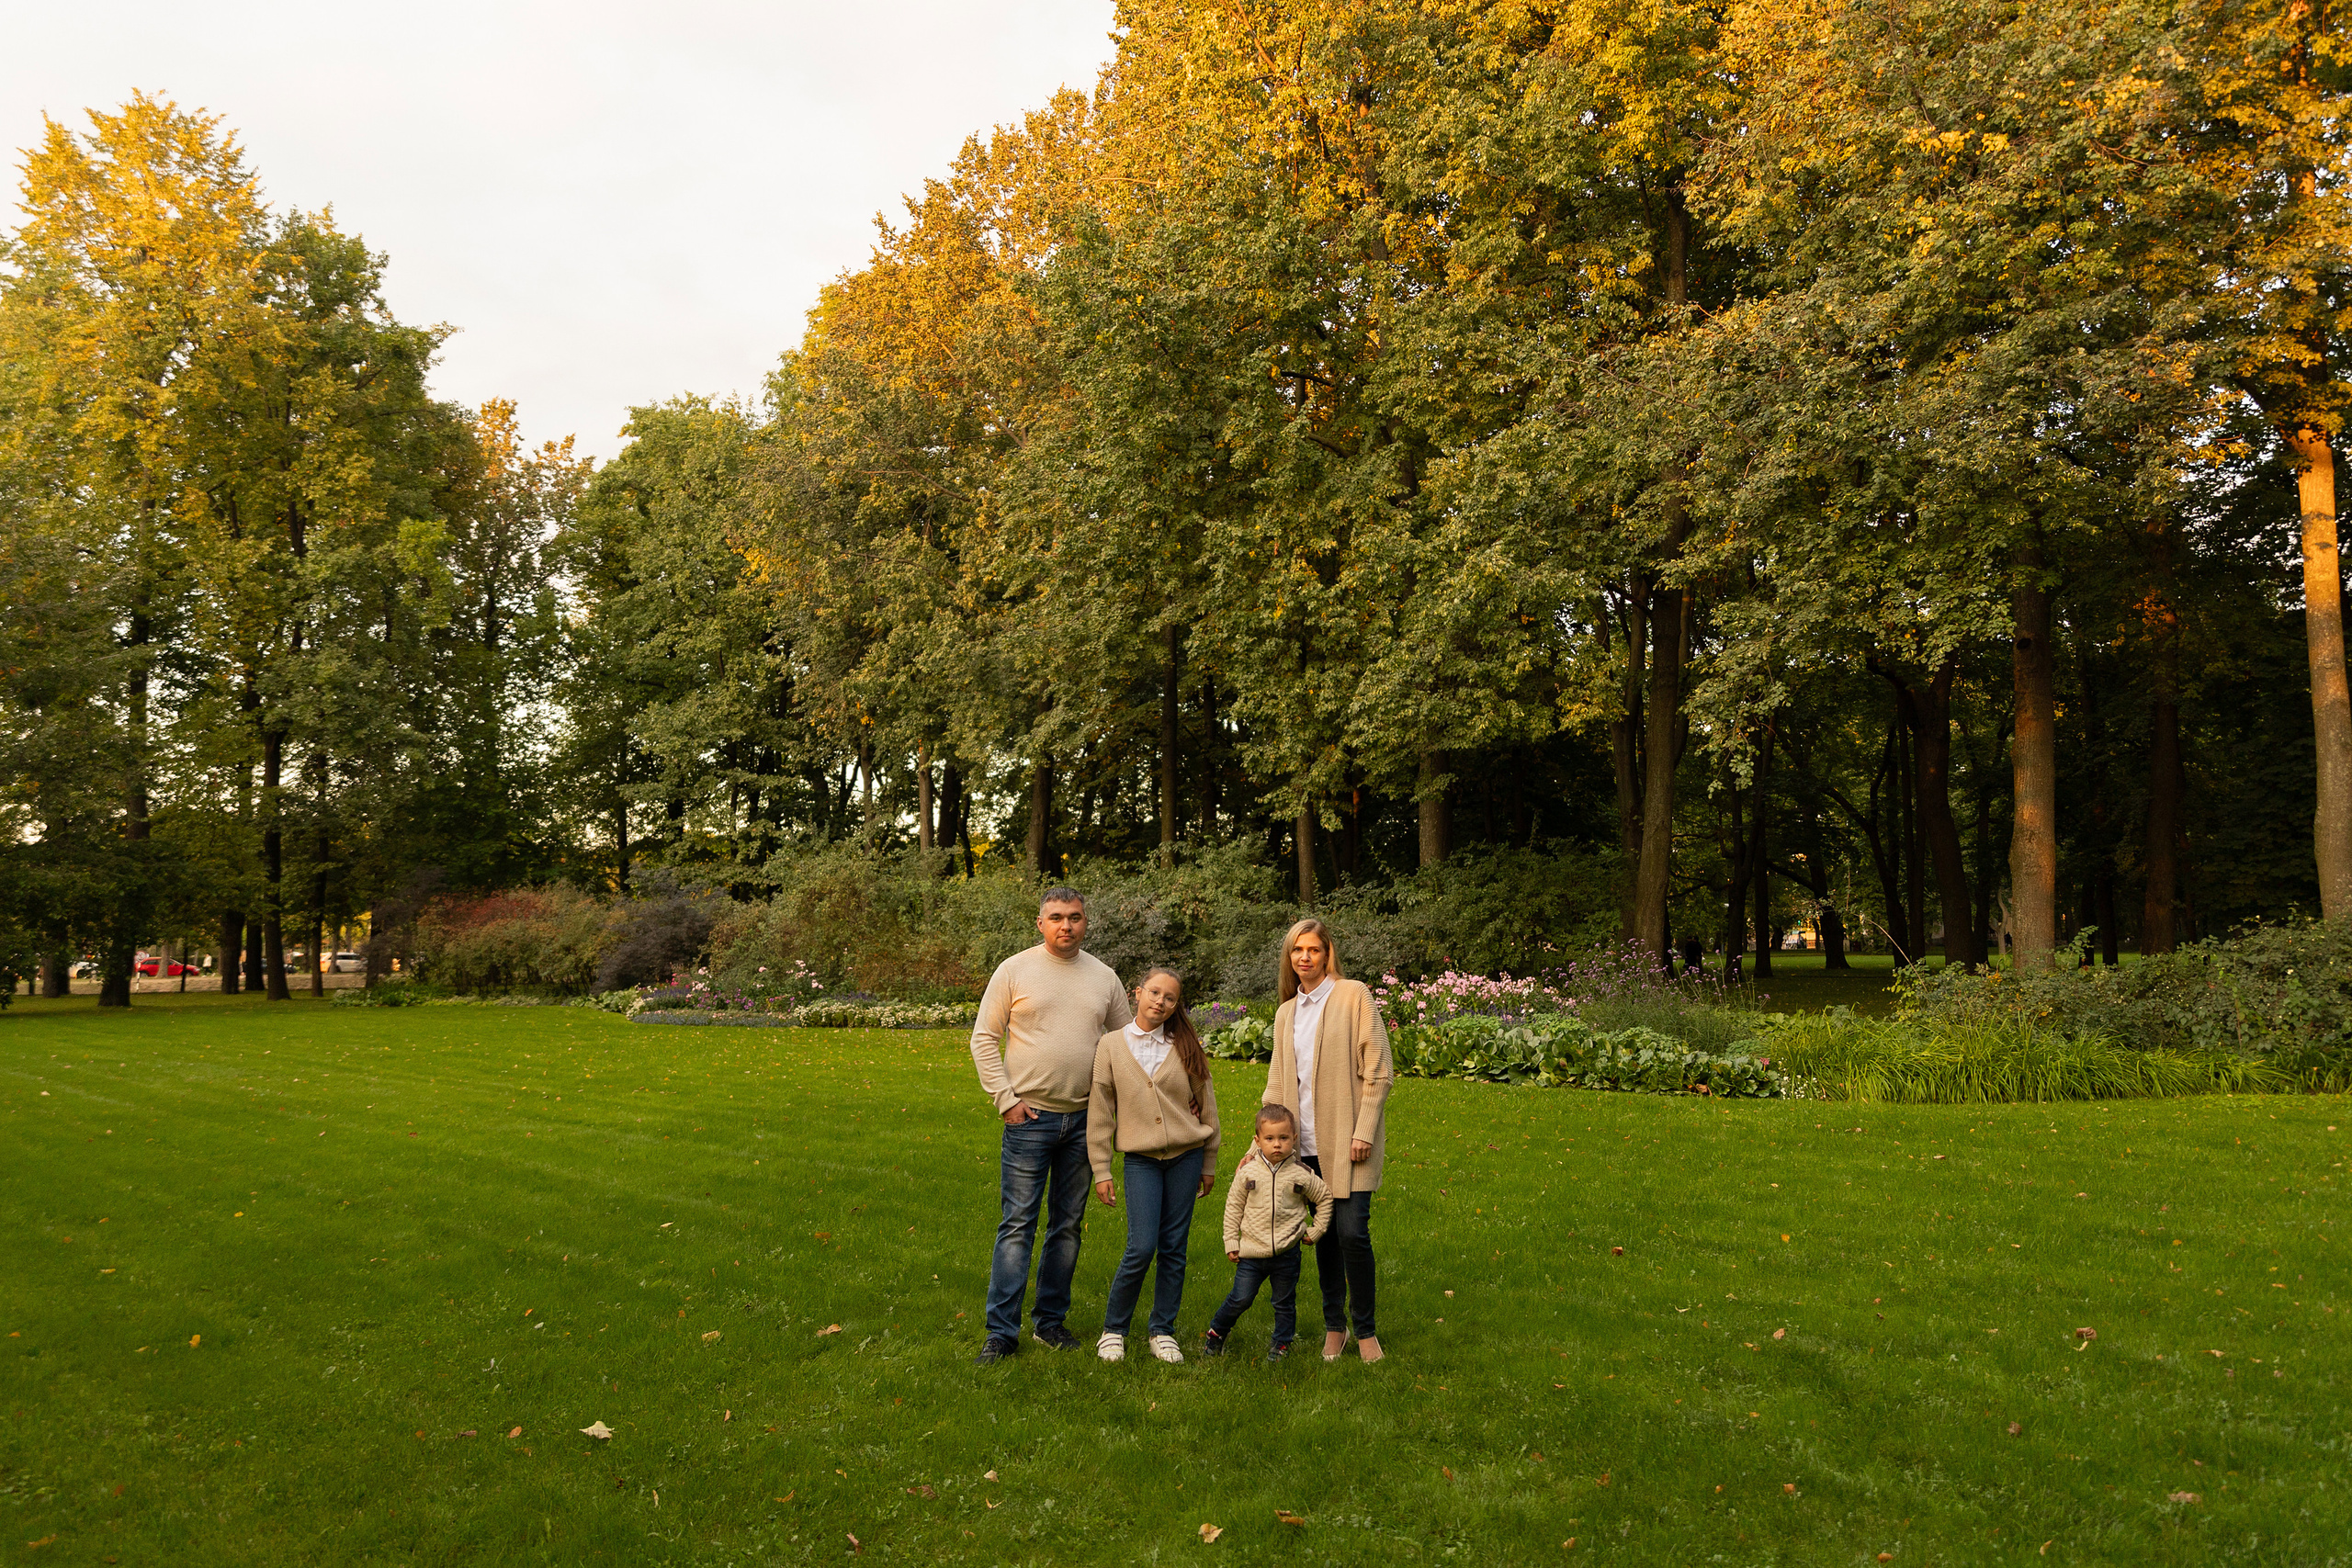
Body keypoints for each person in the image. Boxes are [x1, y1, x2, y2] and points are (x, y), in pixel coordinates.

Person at [968, 886, 1133, 1363]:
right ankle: (1002, 1333)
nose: (1066, 925)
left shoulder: (1104, 977)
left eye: (1075, 917)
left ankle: (1050, 1323)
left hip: (1085, 1121)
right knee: (1017, 1224)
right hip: (1030, 1119)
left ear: (1086, 922)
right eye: (1057, 917)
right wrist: (1006, 1100)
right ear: (1040, 923)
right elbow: (984, 1038)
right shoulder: (1014, 970)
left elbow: (1127, 1043)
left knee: (1067, 1226)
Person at [1262, 917, 1394, 1363]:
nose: (1305, 957)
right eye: (1297, 950)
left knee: (1352, 1233)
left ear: (1327, 953)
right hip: (1303, 1149)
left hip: (1349, 1142)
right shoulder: (1286, 1013)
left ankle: (1367, 1330)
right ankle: (1335, 1327)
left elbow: (1379, 1070)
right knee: (1325, 1238)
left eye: (1313, 949)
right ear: (1289, 957)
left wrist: (1364, 1131)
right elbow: (1276, 1084)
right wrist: (1260, 1146)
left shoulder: (1353, 995)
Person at [1087, 965, 1221, 1364]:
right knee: (1141, 1246)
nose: (1160, 1002)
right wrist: (1101, 1169)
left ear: (1176, 1006)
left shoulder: (1185, 1046)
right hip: (1141, 1161)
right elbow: (1100, 1111)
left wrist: (1209, 1161)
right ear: (1138, 993)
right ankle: (1113, 1330)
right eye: (1155, 993)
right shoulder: (1111, 1045)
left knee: (1174, 1248)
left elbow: (1207, 1106)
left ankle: (1162, 1331)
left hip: (1186, 1157)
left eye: (1170, 998)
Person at [1201, 1104, 1330, 1362]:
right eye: (1269, 1138)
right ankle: (1216, 1332)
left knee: (1284, 1302)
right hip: (1251, 1253)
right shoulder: (1247, 1173)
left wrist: (1317, 1229)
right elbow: (1233, 1207)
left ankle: (1281, 1344)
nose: (1277, 1144)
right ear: (1257, 1140)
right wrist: (1231, 1241)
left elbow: (1325, 1197)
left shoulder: (1302, 1174)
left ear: (1294, 1138)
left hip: (1287, 1253)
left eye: (1284, 1138)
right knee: (1240, 1298)